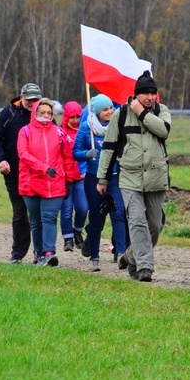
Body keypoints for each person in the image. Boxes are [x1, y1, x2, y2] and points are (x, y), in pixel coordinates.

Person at [97, 71, 171, 282]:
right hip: (130, 177)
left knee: (155, 225)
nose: (150, 97)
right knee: (137, 221)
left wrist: (142, 114)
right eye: (145, 93)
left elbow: (164, 131)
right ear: (136, 95)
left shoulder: (162, 111)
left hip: (156, 177)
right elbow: (109, 148)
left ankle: (130, 256)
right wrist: (102, 179)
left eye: (153, 93)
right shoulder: (120, 115)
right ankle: (144, 267)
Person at [17, 98, 80, 266]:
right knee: (36, 221)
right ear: (35, 113)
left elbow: (68, 155)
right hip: (31, 183)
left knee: (49, 218)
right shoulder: (25, 132)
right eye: (42, 112)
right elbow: (23, 154)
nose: (46, 115)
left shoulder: (59, 132)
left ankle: (49, 252)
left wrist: (69, 178)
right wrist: (43, 167)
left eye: (49, 113)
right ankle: (39, 253)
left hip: (54, 183)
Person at [73, 93, 128, 272]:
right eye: (105, 109)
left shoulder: (117, 127)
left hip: (113, 177)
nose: (110, 111)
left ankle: (121, 254)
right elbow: (76, 152)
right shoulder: (85, 128)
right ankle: (94, 256)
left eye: (111, 108)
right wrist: (87, 154)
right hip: (93, 178)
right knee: (96, 217)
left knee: (118, 213)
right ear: (97, 112)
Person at [0, 83, 41, 263]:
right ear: (21, 97)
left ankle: (40, 251)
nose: (32, 102)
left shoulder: (44, 115)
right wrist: (1, 160)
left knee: (37, 213)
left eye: (36, 99)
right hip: (14, 172)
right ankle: (17, 254)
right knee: (20, 211)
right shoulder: (9, 113)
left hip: (38, 172)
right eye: (29, 99)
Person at [57, 101, 88, 251]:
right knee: (67, 209)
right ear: (66, 117)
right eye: (72, 117)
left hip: (81, 176)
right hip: (65, 177)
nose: (75, 120)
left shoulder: (84, 132)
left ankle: (77, 230)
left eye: (78, 116)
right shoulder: (60, 133)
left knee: (83, 208)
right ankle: (67, 238)